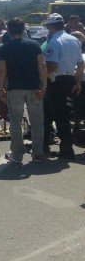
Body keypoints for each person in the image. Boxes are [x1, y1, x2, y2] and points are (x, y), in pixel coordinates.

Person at [0, 18, 47, 164]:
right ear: (23, 29)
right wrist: (44, 86)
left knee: (15, 122)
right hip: (34, 87)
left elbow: (2, 70)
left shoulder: (4, 47)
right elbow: (42, 66)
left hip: (15, 88)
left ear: (8, 30)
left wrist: (0, 88)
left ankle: (17, 154)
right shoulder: (34, 45)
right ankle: (38, 153)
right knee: (37, 121)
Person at [42, 13, 84, 159]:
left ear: (51, 27)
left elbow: (51, 65)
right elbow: (80, 65)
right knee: (50, 112)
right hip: (70, 79)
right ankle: (44, 144)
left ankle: (66, 149)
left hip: (56, 80)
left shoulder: (54, 41)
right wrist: (77, 82)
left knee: (59, 116)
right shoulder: (74, 40)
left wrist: (46, 80)